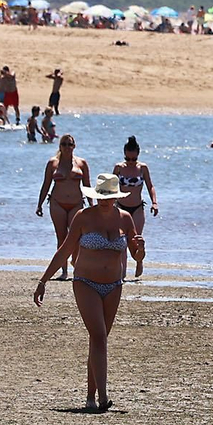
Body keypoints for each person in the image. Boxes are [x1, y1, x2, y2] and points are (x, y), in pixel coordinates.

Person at [33, 173, 145, 412]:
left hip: (114, 285)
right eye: (102, 196)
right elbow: (65, 250)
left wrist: (142, 250)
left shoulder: (125, 219)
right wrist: (44, 281)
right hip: (85, 283)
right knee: (99, 336)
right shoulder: (83, 217)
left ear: (116, 198)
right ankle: (104, 398)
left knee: (99, 341)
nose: (105, 201)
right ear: (96, 196)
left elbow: (136, 256)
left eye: (110, 197)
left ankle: (90, 398)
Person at [35, 135, 90, 280]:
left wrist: (92, 205)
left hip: (76, 203)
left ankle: (75, 262)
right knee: (61, 237)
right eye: (64, 144)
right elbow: (46, 184)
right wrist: (39, 204)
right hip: (57, 203)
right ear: (60, 146)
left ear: (74, 146)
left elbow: (87, 185)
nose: (67, 147)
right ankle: (64, 271)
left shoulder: (81, 163)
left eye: (69, 144)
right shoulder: (53, 163)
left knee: (76, 237)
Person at [113, 136, 159, 277]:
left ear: (138, 155)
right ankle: (123, 274)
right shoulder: (119, 168)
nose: (131, 162)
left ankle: (139, 262)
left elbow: (150, 186)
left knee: (136, 240)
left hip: (137, 208)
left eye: (133, 159)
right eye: (128, 159)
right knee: (122, 242)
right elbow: (111, 187)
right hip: (121, 207)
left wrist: (154, 202)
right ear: (124, 154)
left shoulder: (142, 168)